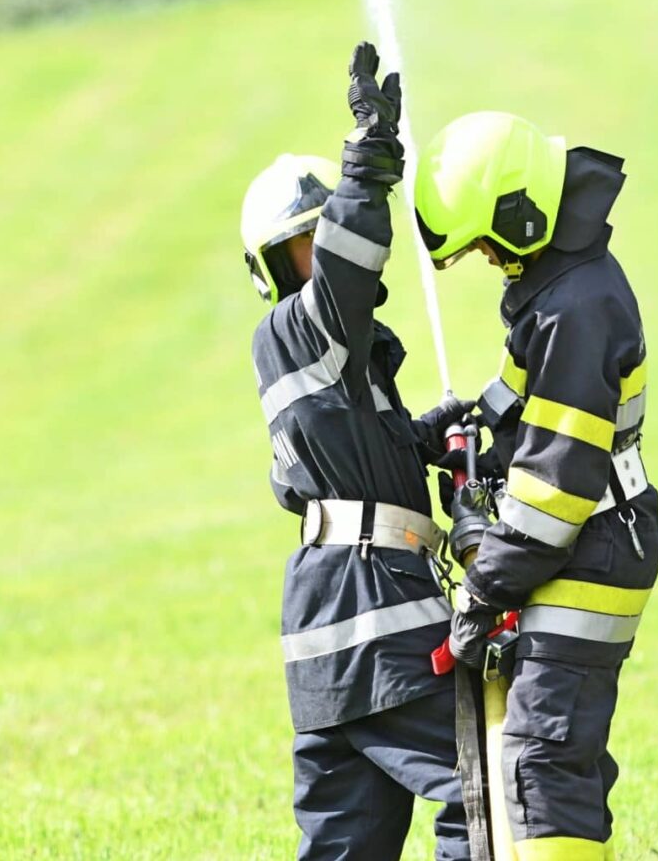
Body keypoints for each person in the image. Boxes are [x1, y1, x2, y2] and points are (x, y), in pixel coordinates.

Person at [239, 43, 472, 861]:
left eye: (322, 241)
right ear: (274, 270)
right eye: (301, 249)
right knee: (479, 791)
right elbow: (339, 278)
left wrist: (425, 436)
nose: (319, 262)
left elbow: (349, 461)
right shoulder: (295, 329)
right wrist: (364, 166)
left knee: (345, 846)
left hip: (333, 627)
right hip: (374, 616)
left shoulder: (341, 369)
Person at [414, 112, 658, 861]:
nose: (489, 260)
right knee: (556, 752)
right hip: (593, 540)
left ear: (519, 212)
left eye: (486, 243)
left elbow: (555, 490)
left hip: (591, 546)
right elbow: (523, 413)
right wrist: (468, 445)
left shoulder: (574, 310)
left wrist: (483, 588)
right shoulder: (556, 291)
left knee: (542, 759)